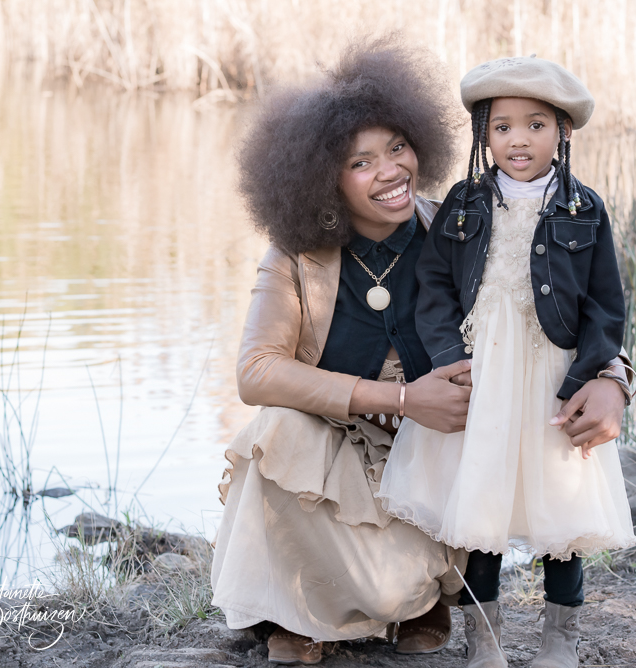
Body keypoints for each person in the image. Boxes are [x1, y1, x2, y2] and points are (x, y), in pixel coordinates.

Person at [210, 42, 474, 666]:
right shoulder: (294, 257)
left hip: (429, 461)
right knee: (274, 429)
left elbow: (546, 311)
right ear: (322, 180)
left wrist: (611, 377)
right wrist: (401, 397)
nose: (390, 171)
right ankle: (292, 613)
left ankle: (428, 592)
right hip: (337, 453)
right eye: (361, 162)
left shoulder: (458, 233)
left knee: (391, 591)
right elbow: (255, 372)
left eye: (397, 148)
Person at [377, 55, 636, 668]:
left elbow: (607, 304)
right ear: (483, 135)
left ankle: (560, 639)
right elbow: (434, 288)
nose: (518, 139)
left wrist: (590, 374)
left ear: (563, 132)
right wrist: (448, 358)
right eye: (502, 127)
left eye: (536, 125)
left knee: (560, 511)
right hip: (482, 370)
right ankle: (485, 639)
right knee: (482, 506)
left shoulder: (585, 209)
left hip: (552, 369)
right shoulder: (464, 203)